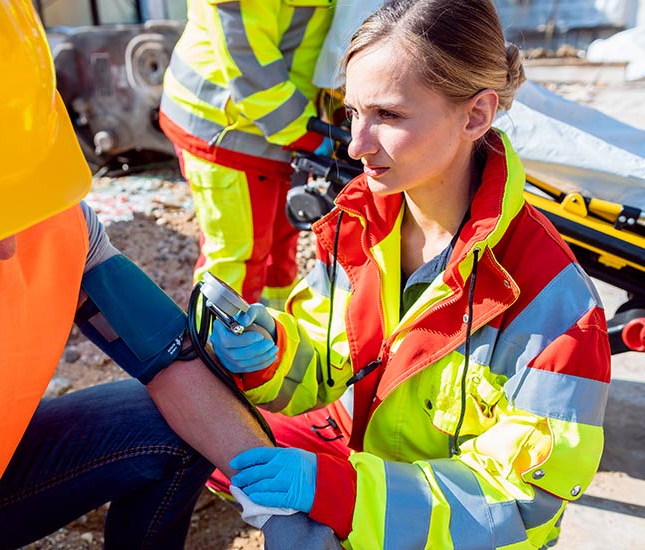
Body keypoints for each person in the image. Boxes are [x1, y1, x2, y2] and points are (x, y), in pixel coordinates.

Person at [0, 2, 278, 549]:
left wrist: (286, 505)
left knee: (173, 426)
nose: (7, 245)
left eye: (13, 197)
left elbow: (172, 364)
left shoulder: (49, 224)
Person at [208, 0, 612, 548]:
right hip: (379, 506)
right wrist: (274, 353)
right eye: (352, 112)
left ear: (475, 115)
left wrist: (342, 493)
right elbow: (333, 365)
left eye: (389, 116)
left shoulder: (551, 300)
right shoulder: (361, 227)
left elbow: (522, 504)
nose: (356, 144)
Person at [159, 0, 335, 308]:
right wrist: (303, 130)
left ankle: (276, 337)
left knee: (279, 249)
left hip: (279, 123)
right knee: (237, 260)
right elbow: (245, 53)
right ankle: (218, 351)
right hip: (228, 127)